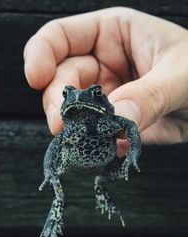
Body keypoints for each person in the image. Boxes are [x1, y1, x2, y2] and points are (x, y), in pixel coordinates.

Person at [23, 7, 188, 154]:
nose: (78, 97)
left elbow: (130, 125)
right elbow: (54, 146)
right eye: (66, 94)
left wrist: (134, 153)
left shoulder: (113, 121)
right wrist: (49, 173)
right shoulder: (70, 130)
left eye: (95, 93)